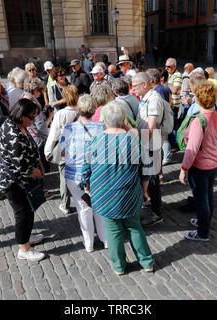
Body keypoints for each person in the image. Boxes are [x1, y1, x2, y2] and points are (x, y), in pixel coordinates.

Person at [79, 101, 154, 275]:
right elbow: (146, 170)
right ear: (123, 120)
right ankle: (147, 262)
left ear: (105, 121)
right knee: (134, 227)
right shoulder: (133, 140)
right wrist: (144, 191)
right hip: (129, 194)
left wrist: (89, 190)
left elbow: (85, 171)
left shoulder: (94, 141)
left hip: (104, 196)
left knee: (113, 232)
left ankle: (119, 266)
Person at [0, 99, 46, 262]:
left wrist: (37, 161)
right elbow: (21, 167)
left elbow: (29, 147)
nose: (33, 121)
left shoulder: (18, 125)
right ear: (20, 115)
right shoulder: (13, 134)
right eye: (31, 118)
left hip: (20, 179)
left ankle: (27, 236)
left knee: (28, 210)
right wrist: (36, 172)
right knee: (23, 213)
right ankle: (24, 249)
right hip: (13, 182)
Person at [60, 94, 107, 252]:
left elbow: (62, 151)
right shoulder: (102, 127)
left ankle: (89, 244)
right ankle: (105, 239)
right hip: (97, 174)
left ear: (78, 110)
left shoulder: (69, 128)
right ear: (94, 110)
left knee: (83, 207)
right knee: (100, 206)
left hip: (75, 174)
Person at [179, 80, 217, 241]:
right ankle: (206, 220)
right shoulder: (215, 114)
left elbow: (192, 149)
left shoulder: (198, 120)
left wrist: (184, 169)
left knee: (201, 199)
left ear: (198, 98)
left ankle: (203, 231)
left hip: (201, 165)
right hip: (213, 161)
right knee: (208, 194)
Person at [131, 72, 165, 227]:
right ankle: (154, 205)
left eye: (135, 86)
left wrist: (141, 147)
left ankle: (157, 214)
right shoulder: (146, 98)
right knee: (149, 177)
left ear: (144, 84)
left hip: (150, 142)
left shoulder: (154, 99)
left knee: (152, 179)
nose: (132, 89)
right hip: (148, 142)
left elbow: (150, 128)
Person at [44, 85, 79, 214]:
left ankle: (65, 204)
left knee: (64, 177)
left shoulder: (61, 114)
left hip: (65, 148)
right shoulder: (82, 111)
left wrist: (47, 151)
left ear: (65, 98)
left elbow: (54, 135)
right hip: (80, 148)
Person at [22, 78, 54, 173]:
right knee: (41, 167)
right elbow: (41, 127)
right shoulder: (33, 104)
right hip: (37, 139)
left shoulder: (23, 97)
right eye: (39, 91)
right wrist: (51, 117)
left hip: (29, 135)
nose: (40, 94)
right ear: (35, 90)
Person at [147, 68, 172, 168]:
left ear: (152, 80)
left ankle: (166, 157)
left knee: (163, 141)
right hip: (161, 119)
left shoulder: (158, 90)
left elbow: (160, 106)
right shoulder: (161, 87)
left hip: (160, 121)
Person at [165, 58, 183, 152]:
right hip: (167, 104)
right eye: (166, 66)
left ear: (174, 66)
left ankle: (174, 144)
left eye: (169, 66)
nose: (166, 68)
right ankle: (172, 144)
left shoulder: (178, 75)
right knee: (169, 125)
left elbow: (175, 89)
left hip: (173, 105)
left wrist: (165, 84)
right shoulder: (169, 74)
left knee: (171, 126)